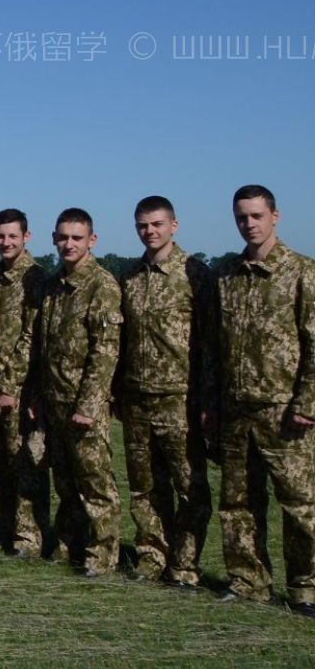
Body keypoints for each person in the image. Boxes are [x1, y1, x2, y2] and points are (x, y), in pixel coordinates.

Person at [215, 184, 315, 616]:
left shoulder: (301, 272)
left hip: (285, 412)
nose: (249, 224)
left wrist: (307, 402)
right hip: (237, 410)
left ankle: (305, 588)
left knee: (299, 506)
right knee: (238, 505)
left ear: (275, 216)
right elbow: (213, 347)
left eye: (256, 216)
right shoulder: (226, 275)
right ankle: (247, 580)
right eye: (242, 217)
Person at [116, 196, 216, 588]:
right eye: (142, 225)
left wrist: (207, 400)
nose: (149, 231)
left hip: (180, 399)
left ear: (174, 225)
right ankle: (151, 556)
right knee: (144, 488)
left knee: (189, 487)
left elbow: (210, 345)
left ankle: (185, 564)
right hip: (137, 398)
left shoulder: (196, 275)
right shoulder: (130, 276)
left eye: (157, 224)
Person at [31, 208, 122, 579]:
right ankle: (68, 543)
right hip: (55, 401)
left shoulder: (102, 285)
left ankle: (102, 555)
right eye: (63, 237)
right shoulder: (54, 286)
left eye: (77, 238)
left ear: (92, 240)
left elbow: (105, 351)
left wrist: (88, 405)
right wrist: (40, 395)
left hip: (85, 406)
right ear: (54, 239)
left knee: (95, 483)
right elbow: (44, 347)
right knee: (65, 482)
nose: (69, 244)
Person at [0, 209, 50, 558]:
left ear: (26, 236)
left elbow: (30, 337)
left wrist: (9, 385)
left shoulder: (35, 279)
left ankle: (29, 538)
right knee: (4, 462)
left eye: (12, 236)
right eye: (0, 236)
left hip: (20, 390)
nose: (5, 242)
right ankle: (8, 528)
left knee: (25, 464)